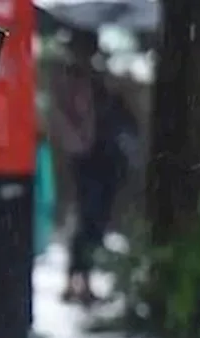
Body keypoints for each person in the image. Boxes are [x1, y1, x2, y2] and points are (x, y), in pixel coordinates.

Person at [49, 32, 130, 305]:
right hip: (85, 156)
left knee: (94, 219)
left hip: (100, 156)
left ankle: (83, 278)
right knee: (87, 217)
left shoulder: (96, 79)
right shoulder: (72, 79)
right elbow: (66, 117)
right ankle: (77, 278)